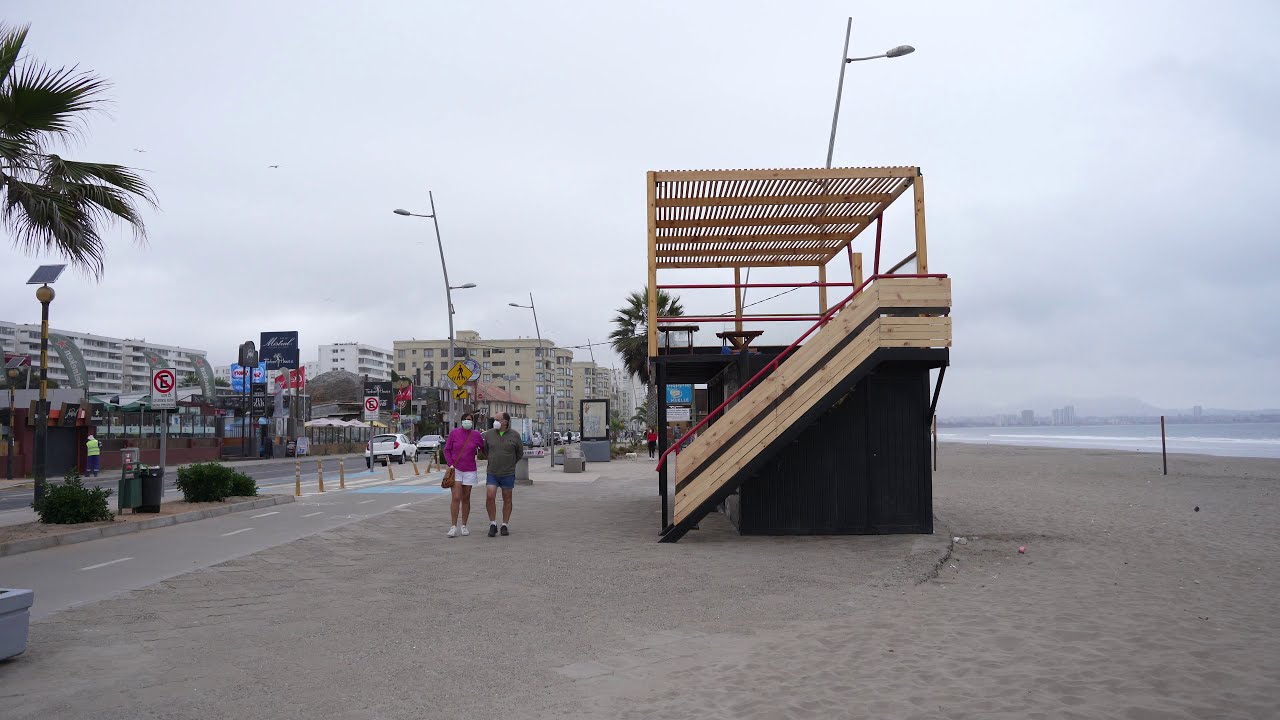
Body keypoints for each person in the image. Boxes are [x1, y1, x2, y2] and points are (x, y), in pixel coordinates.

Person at [482, 411, 523, 537]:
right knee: (490, 496)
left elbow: (519, 453)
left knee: (507, 498)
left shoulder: (515, 435)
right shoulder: (489, 434)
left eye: (498, 419)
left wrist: (510, 463)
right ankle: (492, 523)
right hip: (492, 472)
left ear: (505, 422)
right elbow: (485, 451)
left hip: (508, 472)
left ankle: (505, 524)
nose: (495, 422)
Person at [443, 413, 483, 538]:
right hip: (456, 469)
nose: (467, 421)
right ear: (461, 421)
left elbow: (484, 449)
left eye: (470, 420)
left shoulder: (476, 435)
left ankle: (464, 525)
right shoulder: (454, 433)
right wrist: (450, 464)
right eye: (465, 420)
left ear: (472, 422)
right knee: (456, 497)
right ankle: (453, 526)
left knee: (466, 498)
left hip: (470, 470)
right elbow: (447, 449)